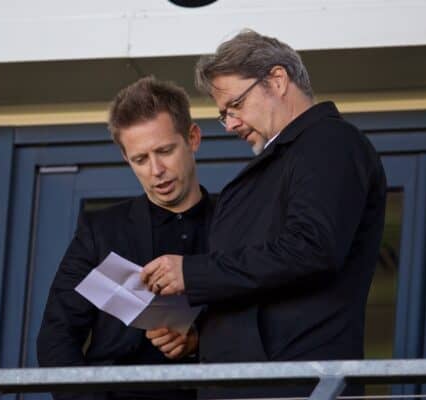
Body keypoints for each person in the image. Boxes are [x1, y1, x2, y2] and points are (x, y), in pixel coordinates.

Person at [141, 29, 387, 398]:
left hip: (290, 382)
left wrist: (191, 272)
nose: (231, 125)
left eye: (235, 106)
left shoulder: (329, 142)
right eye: (224, 116)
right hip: (256, 379)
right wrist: (203, 335)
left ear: (277, 80)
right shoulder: (287, 158)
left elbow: (310, 249)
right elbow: (261, 284)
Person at [37, 76, 214, 400]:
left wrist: (199, 340)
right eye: (140, 159)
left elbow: (266, 320)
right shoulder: (100, 230)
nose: (156, 169)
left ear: (193, 138)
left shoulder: (236, 220)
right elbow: (56, 337)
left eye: (165, 151)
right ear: (125, 159)